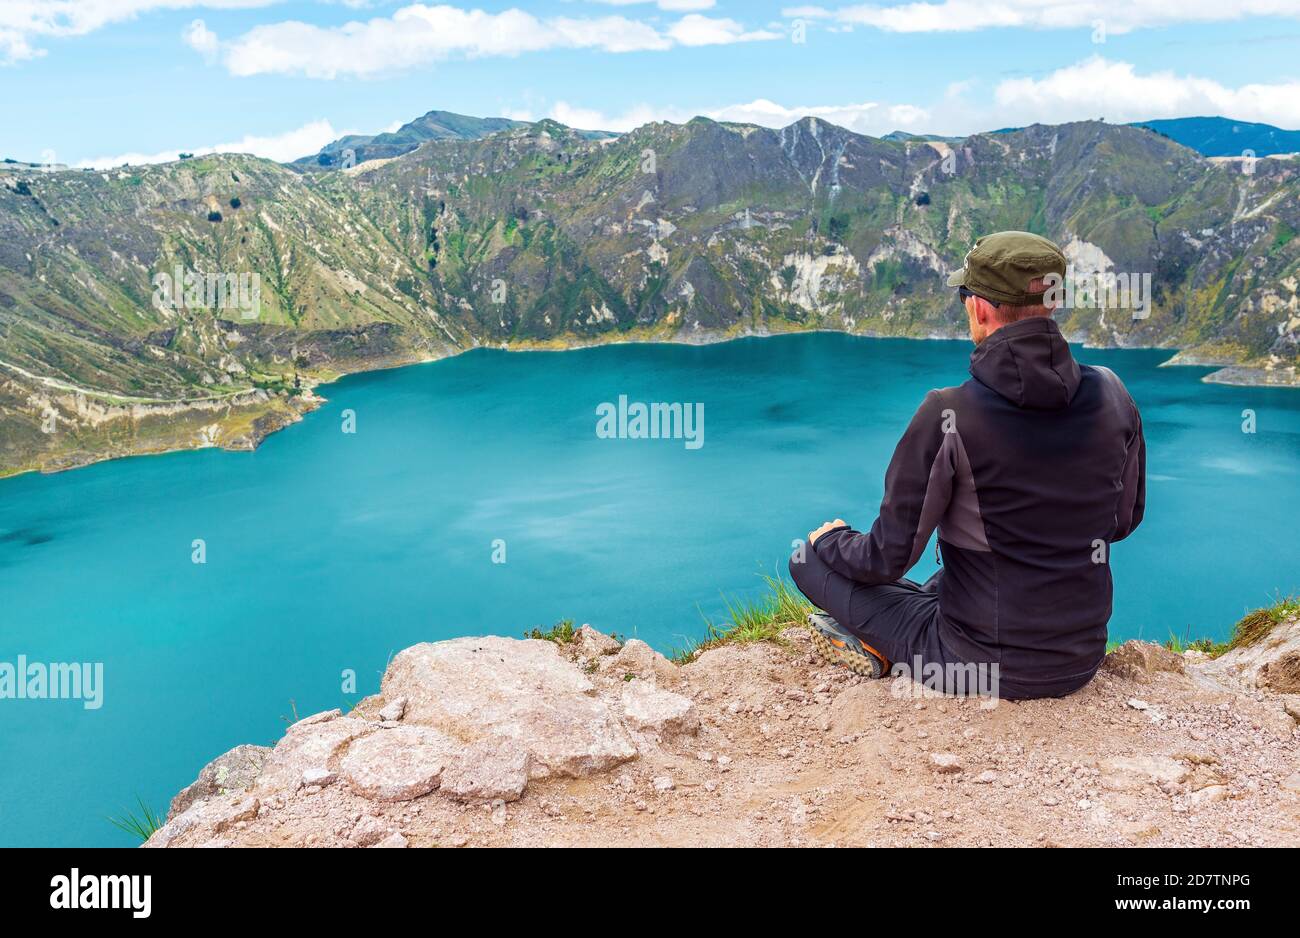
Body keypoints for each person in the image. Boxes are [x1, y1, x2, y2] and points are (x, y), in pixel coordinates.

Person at [789, 231, 1145, 700]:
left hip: (978, 664)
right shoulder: (1112, 393)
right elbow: (1122, 521)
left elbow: (886, 557)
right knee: (951, 579)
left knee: (804, 559)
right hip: (1080, 658)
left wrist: (831, 541)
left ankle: (878, 643)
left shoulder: (948, 413)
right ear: (1053, 304)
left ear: (979, 307)